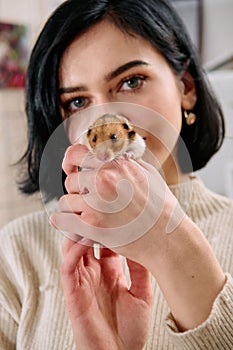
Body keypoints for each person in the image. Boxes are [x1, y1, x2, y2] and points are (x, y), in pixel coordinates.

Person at [0, 0, 233, 349]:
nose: (105, 117)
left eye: (131, 81)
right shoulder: (17, 252)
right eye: (77, 102)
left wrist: (171, 246)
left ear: (186, 88)